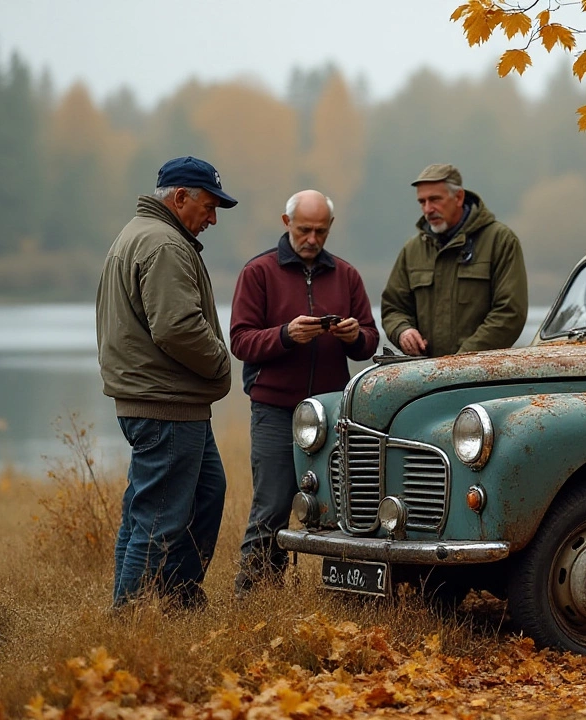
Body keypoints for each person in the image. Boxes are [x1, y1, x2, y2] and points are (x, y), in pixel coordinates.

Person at [96, 156, 238, 610]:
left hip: (163, 401)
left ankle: (176, 596)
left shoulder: (138, 233)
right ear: (180, 198)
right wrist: (220, 361)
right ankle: (133, 620)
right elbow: (177, 328)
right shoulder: (164, 244)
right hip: (166, 405)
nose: (213, 218)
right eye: (210, 206)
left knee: (202, 492)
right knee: (158, 517)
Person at [229, 190, 379, 595]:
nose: (312, 238)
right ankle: (255, 596)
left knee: (344, 509)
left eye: (321, 231)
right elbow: (240, 342)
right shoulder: (258, 272)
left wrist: (354, 336)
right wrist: (286, 335)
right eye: (304, 230)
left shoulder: (346, 275)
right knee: (272, 507)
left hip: (333, 414)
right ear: (286, 222)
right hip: (275, 410)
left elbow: (369, 341)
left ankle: (350, 596)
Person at [381, 163, 528, 357]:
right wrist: (402, 331)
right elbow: (393, 307)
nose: (427, 209)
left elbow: (510, 313)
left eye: (434, 199)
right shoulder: (413, 250)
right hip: (425, 377)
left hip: (481, 376)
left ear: (458, 197)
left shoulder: (500, 241)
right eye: (422, 202)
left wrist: (462, 360)